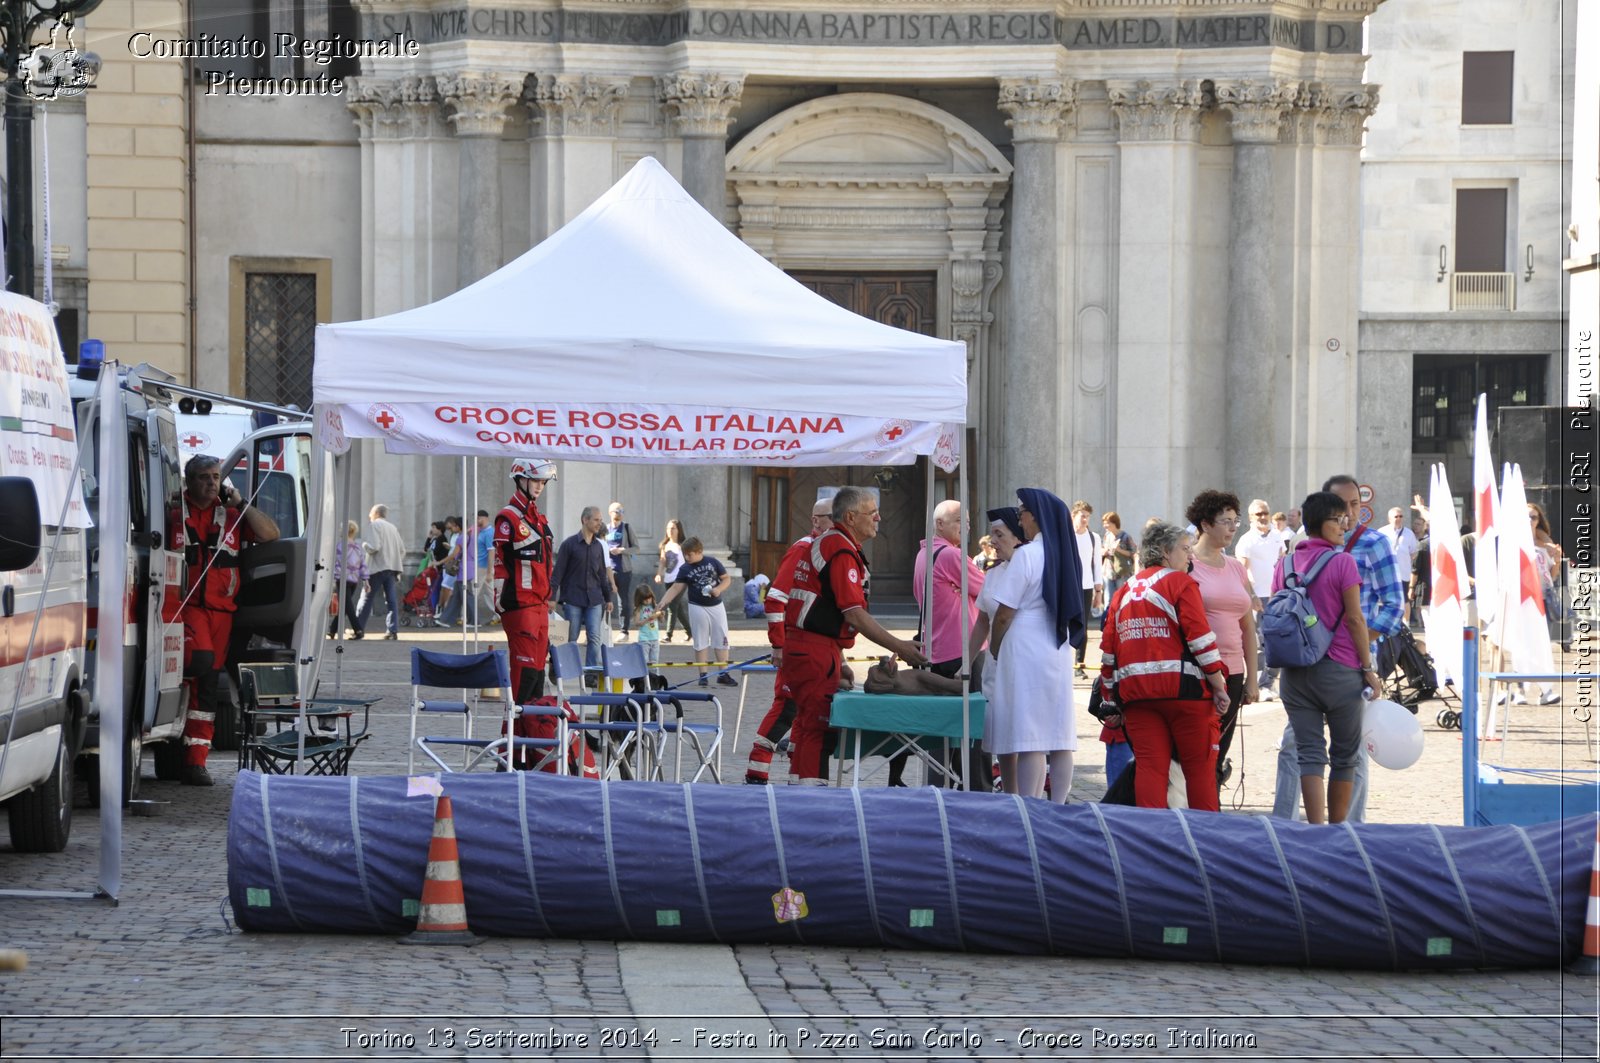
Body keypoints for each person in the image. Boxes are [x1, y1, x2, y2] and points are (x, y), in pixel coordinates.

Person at [1272, 474, 1406, 822]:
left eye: (1354, 507)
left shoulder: (1286, 561)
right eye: (1339, 512)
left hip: (1296, 670)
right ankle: (1336, 833)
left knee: (1308, 753)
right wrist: (1366, 666)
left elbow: (1277, 610)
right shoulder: (1341, 560)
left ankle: (1319, 830)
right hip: (1344, 668)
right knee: (1344, 755)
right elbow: (1356, 619)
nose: (1347, 518)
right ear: (1323, 513)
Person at [783, 487, 927, 784]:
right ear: (851, 517)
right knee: (817, 728)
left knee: (809, 725)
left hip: (816, 648)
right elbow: (853, 613)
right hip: (813, 649)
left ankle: (799, 795)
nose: (879, 518)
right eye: (872, 512)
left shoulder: (834, 544)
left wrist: (839, 658)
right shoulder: (840, 548)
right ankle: (811, 802)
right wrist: (899, 646)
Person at [1098, 521, 1228, 811]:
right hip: (1186, 694)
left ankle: (1150, 843)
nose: (1190, 556)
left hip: (1137, 696)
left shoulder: (1124, 591)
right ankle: (1205, 842)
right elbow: (1200, 639)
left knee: (1150, 770)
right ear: (1166, 552)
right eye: (1184, 549)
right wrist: (1219, 685)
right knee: (1199, 771)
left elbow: (1109, 652)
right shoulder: (1180, 583)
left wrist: (1109, 698)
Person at [172, 454, 280, 785]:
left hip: (223, 614)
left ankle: (193, 761)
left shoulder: (232, 515)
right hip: (186, 607)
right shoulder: (174, 513)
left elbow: (271, 535)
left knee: (207, 685)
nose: (211, 483)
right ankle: (179, 739)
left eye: (216, 477)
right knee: (199, 662)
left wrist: (242, 503)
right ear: (189, 480)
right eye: (204, 477)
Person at [988, 488, 1086, 802]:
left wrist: (995, 647)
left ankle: (1028, 806)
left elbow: (1004, 613)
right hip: (1057, 645)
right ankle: (1058, 803)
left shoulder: (1028, 555)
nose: (1020, 519)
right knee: (1058, 731)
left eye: (1022, 513)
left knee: (1029, 732)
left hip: (1025, 642)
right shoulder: (1064, 553)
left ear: (1036, 516)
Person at [745, 498, 833, 784]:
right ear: (817, 520)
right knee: (786, 707)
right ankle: (756, 774)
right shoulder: (803, 548)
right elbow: (775, 599)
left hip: (820, 648)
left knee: (805, 713)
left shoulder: (828, 550)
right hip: (797, 645)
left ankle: (797, 777)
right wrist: (778, 645)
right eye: (836, 517)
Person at [909, 498, 989, 790]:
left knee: (940, 728)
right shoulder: (952, 557)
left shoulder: (924, 554)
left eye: (967, 521)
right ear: (939, 524)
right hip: (963, 650)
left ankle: (938, 789)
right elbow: (988, 591)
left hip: (936, 648)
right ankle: (977, 790)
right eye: (959, 521)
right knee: (974, 726)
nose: (965, 526)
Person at [1185, 489, 1258, 787]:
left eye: (1235, 521)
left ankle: (1210, 810)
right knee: (1196, 749)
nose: (1231, 528)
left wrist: (1252, 677)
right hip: (1199, 670)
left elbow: (1248, 628)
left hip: (1234, 671)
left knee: (1220, 749)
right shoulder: (1187, 565)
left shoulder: (1236, 567)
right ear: (1205, 524)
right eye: (1225, 521)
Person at [493, 458, 557, 703]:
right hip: (521, 607)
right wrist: (502, 604)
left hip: (539, 606)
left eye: (543, 482)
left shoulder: (537, 518)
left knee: (539, 677)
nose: (540, 486)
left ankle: (530, 738)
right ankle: (511, 737)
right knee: (524, 676)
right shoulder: (508, 518)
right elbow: (500, 564)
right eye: (535, 481)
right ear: (520, 479)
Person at [968, 507, 1021, 774]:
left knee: (1021, 735)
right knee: (1000, 735)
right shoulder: (993, 573)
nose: (992, 541)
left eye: (999, 534)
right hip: (994, 663)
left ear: (1017, 537)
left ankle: (1027, 796)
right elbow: (982, 621)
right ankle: (1010, 794)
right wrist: (965, 662)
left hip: (1020, 662)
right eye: (991, 535)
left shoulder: (1029, 569)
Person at [656, 537, 735, 687]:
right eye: (685, 554)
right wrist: (663, 602)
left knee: (721, 639)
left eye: (690, 554)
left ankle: (723, 673)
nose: (687, 557)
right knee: (700, 640)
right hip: (697, 606)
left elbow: (726, 579)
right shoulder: (685, 568)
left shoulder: (712, 562)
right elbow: (675, 588)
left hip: (716, 606)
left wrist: (718, 589)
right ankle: (703, 675)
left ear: (699, 551)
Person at [552, 505, 617, 675]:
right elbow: (557, 573)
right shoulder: (569, 544)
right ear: (585, 520)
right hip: (573, 598)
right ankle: (567, 670)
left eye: (600, 520)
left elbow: (602, 574)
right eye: (596, 520)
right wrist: (551, 597)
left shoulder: (599, 546)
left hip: (595, 599)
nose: (599, 524)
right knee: (571, 638)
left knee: (594, 637)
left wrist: (608, 598)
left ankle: (590, 674)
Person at [1234, 498, 1284, 701]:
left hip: (1277, 595)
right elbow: (1241, 571)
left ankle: (1268, 682)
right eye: (1258, 514)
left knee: (1279, 640)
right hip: (1258, 597)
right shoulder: (1246, 540)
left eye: (1265, 513)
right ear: (1250, 518)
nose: (1263, 517)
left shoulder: (1278, 536)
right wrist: (1252, 596)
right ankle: (1262, 684)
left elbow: (1282, 562)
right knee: (1263, 641)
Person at [358, 503, 407, 640]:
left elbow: (374, 547)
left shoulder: (375, 525)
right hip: (391, 568)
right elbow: (402, 550)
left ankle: (358, 628)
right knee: (391, 600)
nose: (369, 516)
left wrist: (364, 545)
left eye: (370, 513)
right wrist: (394, 559)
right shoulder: (392, 527)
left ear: (376, 513)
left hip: (377, 567)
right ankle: (392, 630)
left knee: (366, 598)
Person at [1069, 500, 1104, 674]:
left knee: (1082, 627)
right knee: (1064, 624)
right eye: (1082, 516)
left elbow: (1097, 564)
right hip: (1068, 586)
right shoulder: (1067, 535)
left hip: (1086, 586)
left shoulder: (1094, 538)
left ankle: (1079, 665)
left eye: (1088, 516)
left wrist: (1099, 592)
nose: (1085, 520)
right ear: (1073, 516)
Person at [330, 520, 367, 639]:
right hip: (354, 580)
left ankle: (358, 630)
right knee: (345, 605)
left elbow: (335, 562)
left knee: (348, 606)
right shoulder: (358, 547)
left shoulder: (340, 546)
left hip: (342, 578)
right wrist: (366, 581)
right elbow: (363, 565)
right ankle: (332, 630)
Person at [605, 502, 637, 637]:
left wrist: (622, 550)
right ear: (610, 512)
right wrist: (608, 550)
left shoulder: (627, 528)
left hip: (624, 570)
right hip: (608, 570)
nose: (619, 514)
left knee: (623, 600)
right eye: (616, 511)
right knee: (605, 599)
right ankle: (604, 628)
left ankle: (624, 630)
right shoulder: (605, 529)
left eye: (621, 511)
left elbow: (636, 548)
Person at [655, 519, 690, 641]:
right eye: (668, 528)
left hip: (681, 580)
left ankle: (668, 635)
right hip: (669, 579)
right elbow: (663, 561)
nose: (670, 531)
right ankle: (690, 631)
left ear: (678, 530)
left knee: (672, 605)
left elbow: (689, 561)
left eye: (673, 528)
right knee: (677, 607)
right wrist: (659, 574)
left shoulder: (683, 546)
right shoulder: (665, 545)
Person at [1377, 506, 1420, 597]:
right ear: (1389, 519)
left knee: (1404, 600)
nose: (1399, 518)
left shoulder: (1409, 533)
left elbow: (1414, 552)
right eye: (1396, 517)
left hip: (1403, 574)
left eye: (1401, 516)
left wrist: (1406, 559)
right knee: (1388, 600)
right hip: (1387, 574)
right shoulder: (1382, 532)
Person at [1100, 511, 1136, 608]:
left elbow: (1133, 553)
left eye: (1107, 523)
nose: (1105, 525)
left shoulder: (1125, 536)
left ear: (1114, 523)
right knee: (1108, 601)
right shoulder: (1107, 536)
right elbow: (1102, 548)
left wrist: (1119, 550)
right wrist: (1105, 551)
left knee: (1122, 599)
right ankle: (1107, 621)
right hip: (1108, 572)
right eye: (1104, 523)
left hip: (1122, 572)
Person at [434, 515, 464, 623]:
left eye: (451, 528)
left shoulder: (462, 537)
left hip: (455, 564)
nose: (451, 530)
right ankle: (447, 611)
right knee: (451, 590)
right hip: (453, 564)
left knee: (447, 587)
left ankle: (445, 611)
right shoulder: (456, 536)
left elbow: (455, 553)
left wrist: (441, 561)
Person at [633, 584, 662, 675]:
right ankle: (645, 680)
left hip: (655, 638)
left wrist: (661, 614)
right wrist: (648, 619)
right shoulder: (639, 609)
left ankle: (655, 680)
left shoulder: (654, 606)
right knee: (644, 661)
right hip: (644, 639)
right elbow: (637, 623)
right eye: (645, 599)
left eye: (649, 598)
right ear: (640, 599)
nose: (648, 600)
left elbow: (661, 620)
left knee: (654, 662)